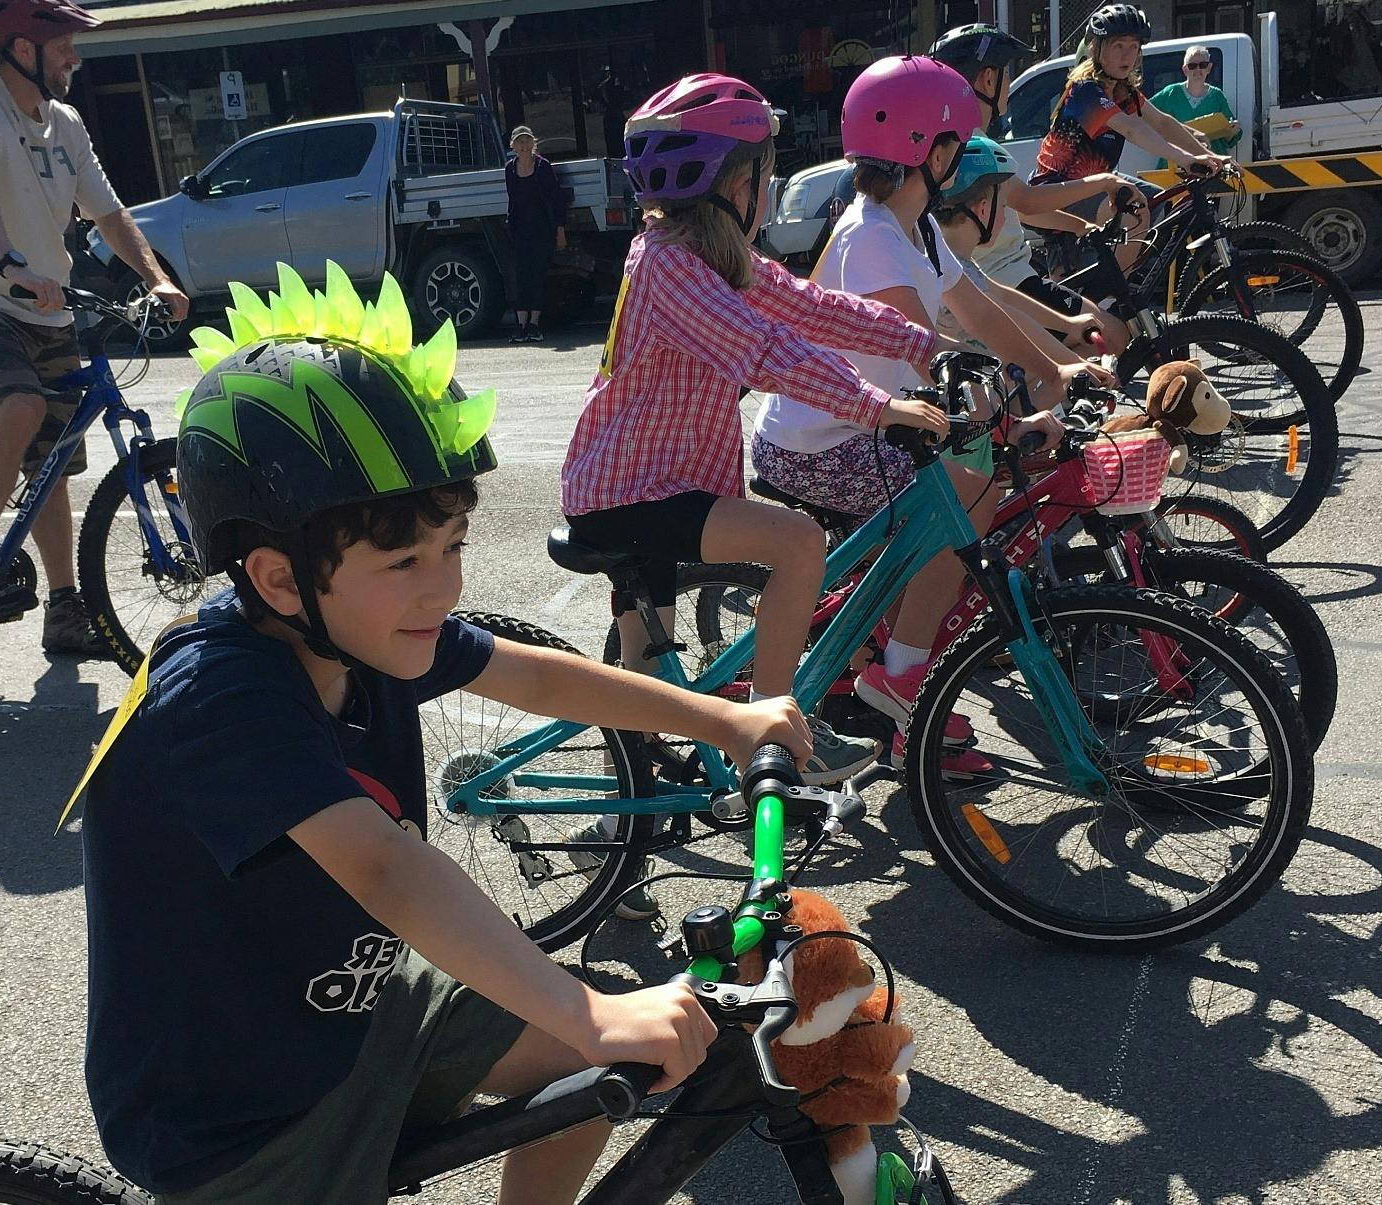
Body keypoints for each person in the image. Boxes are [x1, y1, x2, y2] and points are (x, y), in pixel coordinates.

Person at [79, 292, 812, 1203]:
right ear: (278, 578)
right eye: (405, 562)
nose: (444, 587)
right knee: (592, 1024)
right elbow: (386, 871)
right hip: (233, 1105)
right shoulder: (218, 694)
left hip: (362, 1003)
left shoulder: (365, 631)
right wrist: (584, 1007)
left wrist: (723, 719)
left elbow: (539, 677)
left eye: (453, 545)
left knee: (602, 1069)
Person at [561, 71, 956, 793]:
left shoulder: (714, 259)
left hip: (657, 484)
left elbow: (815, 309)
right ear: (734, 183)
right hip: (630, 491)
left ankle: (625, 846)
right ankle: (774, 730)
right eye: (762, 174)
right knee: (798, 541)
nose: (768, 190)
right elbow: (767, 351)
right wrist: (880, 405)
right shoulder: (669, 264)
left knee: (646, 698)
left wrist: (926, 346)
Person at [749, 58, 1074, 775]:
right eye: (957, 143)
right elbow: (927, 353)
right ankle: (901, 677)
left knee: (957, 485)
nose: (962, 158)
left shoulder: (915, 227)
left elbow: (979, 310)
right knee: (972, 487)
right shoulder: (871, 238)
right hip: (815, 442)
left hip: (864, 427)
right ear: (931, 149)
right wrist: (1012, 415)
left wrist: (1058, 370)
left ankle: (909, 680)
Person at [0, 0, 187, 652]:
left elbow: (107, 212)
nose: (75, 56)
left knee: (54, 467)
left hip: (50, 307)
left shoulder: (65, 122)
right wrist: (10, 264)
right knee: (20, 409)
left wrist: (155, 275)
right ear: (23, 48)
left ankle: (66, 610)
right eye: (64, 44)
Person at [929, 23, 1130, 353]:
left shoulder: (958, 138)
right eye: (1006, 74)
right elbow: (1028, 200)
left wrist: (1082, 226)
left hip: (1003, 277)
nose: (1009, 84)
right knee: (1114, 336)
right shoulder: (973, 144)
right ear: (989, 79)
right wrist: (1104, 181)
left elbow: (1018, 207)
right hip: (1005, 280)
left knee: (1070, 356)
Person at [1031, 4, 1230, 271]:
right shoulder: (1085, 91)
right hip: (1057, 189)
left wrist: (1209, 155)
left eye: (1134, 46)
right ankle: (1114, 294)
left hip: (1094, 185)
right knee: (1135, 210)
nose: (1127, 54)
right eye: (1118, 46)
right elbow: (1131, 129)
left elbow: (1162, 122)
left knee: (1157, 200)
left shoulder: (1124, 91)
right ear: (1097, 49)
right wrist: (1185, 158)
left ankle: (1109, 277)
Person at [503, 126, 566, 343]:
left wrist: (560, 230)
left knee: (538, 275)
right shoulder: (510, 169)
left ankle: (534, 324)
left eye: (527, 141)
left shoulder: (543, 167)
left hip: (542, 229)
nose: (523, 145)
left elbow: (556, 200)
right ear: (513, 145)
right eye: (519, 141)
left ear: (533, 143)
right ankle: (520, 324)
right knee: (521, 275)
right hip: (520, 231)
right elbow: (512, 200)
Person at [1147, 46, 1242, 166]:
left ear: (1209, 68)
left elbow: (1230, 138)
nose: (1198, 70)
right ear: (1185, 70)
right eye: (1192, 66)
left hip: (1211, 164)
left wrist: (1232, 131)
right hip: (1177, 164)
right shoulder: (1170, 93)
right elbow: (1144, 112)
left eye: (1202, 65)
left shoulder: (1217, 96)